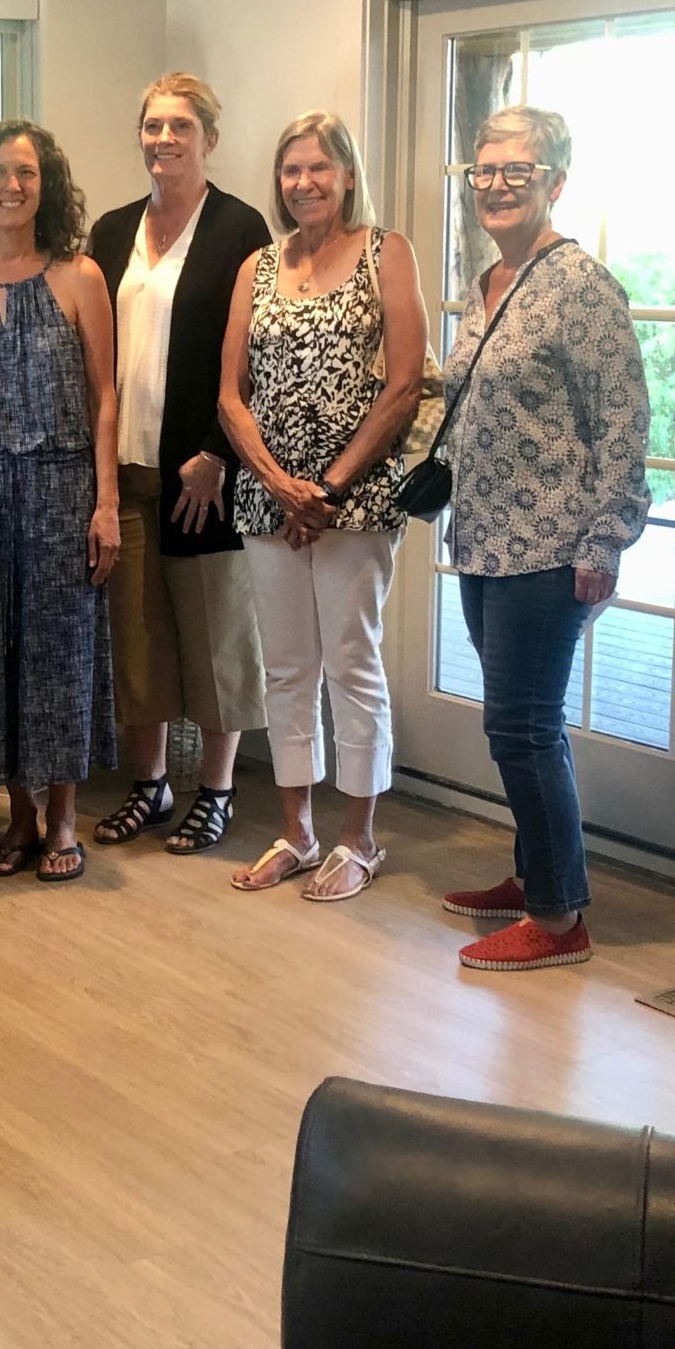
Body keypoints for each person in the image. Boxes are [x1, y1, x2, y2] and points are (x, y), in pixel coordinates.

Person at [441, 106, 650, 972]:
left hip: (552, 544)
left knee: (524, 726)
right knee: (513, 728)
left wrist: (606, 539)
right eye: (483, 171)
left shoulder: (581, 286)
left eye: (514, 172)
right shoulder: (492, 281)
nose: (494, 185)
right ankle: (536, 876)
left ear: (555, 183)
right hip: (485, 540)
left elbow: (625, 419)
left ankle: (561, 919)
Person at [218, 113, 429, 901]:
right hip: (268, 496)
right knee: (287, 665)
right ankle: (298, 832)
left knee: (351, 662)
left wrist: (328, 488)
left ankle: (359, 838)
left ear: (346, 174)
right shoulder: (258, 267)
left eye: (317, 168)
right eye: (289, 170)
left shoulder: (386, 252)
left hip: (356, 500)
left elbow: (404, 383)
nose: (302, 183)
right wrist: (277, 481)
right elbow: (229, 395)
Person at [87, 74, 273, 857]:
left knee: (216, 639)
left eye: (181, 127)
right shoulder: (111, 230)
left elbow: (259, 358)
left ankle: (218, 790)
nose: (164, 139)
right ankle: (152, 785)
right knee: (139, 643)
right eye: (153, 124)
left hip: (204, 476)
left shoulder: (241, 230)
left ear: (210, 140)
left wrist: (217, 455)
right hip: (127, 472)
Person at [0, 120, 119, 884]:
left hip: (61, 484)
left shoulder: (80, 276)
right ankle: (17, 813)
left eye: (28, 173)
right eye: (0, 172)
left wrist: (105, 503)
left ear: (48, 186)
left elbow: (106, 396)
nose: (13, 186)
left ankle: (66, 814)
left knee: (62, 652)